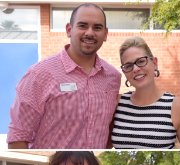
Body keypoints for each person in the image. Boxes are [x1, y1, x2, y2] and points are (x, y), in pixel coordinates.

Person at [7, 3, 121, 149]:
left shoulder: (113, 77)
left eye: (97, 27)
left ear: (105, 34)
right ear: (69, 30)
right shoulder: (40, 74)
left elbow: (108, 132)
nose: (90, 33)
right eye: (82, 26)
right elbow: (18, 137)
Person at [111, 36, 180, 149]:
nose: (135, 69)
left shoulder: (177, 107)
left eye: (141, 61)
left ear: (154, 63)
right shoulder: (118, 103)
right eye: (128, 66)